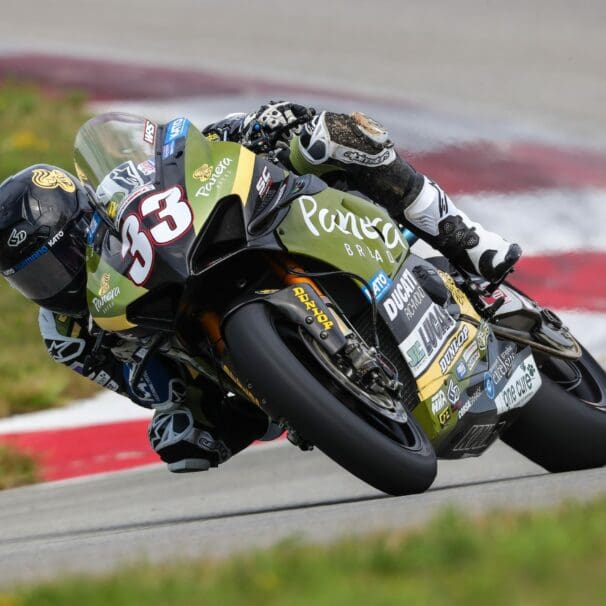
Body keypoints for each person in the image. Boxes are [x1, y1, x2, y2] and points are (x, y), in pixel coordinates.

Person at [0, 102, 521, 473]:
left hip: (231, 229)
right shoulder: (67, 331)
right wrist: (174, 399)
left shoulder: (123, 190)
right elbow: (149, 389)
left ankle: (464, 238)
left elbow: (183, 157)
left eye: (58, 259)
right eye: (33, 279)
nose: (55, 282)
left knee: (325, 135)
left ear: (85, 218)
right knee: (184, 444)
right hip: (201, 348)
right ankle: (304, 395)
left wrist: (255, 127)